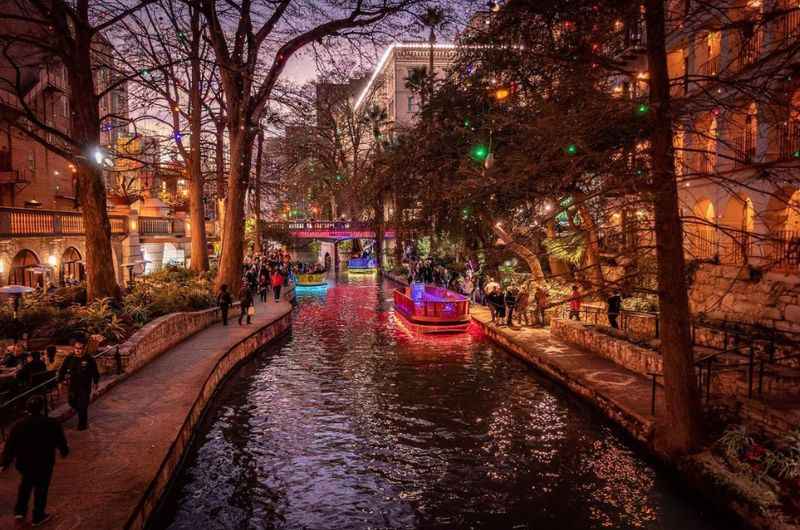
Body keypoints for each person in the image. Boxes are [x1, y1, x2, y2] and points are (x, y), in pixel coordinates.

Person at [1, 395, 69, 526]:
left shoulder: (18, 425)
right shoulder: (52, 423)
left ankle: (20, 512)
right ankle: (38, 515)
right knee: (41, 488)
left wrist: (5, 462)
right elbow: (60, 440)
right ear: (42, 407)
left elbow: (10, 446)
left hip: (25, 463)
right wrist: (64, 451)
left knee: (25, 486)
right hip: (44, 461)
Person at [57, 335, 100, 431]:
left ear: (84, 349)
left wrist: (96, 382)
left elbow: (95, 371)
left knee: (83, 405)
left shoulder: (89, 359)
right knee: (72, 402)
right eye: (76, 348)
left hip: (84, 386)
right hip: (73, 386)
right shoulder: (69, 358)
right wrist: (60, 381)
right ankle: (81, 412)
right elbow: (62, 370)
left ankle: (82, 424)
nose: (78, 350)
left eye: (80, 348)